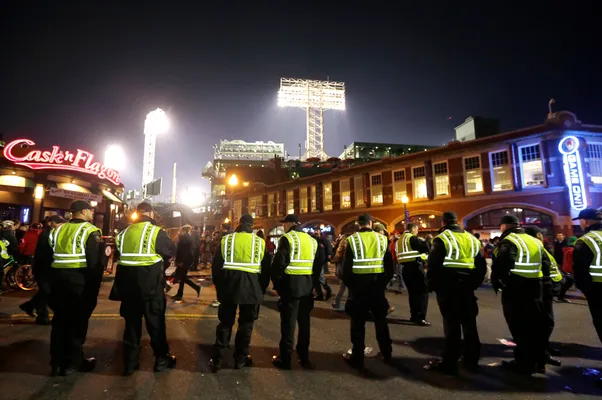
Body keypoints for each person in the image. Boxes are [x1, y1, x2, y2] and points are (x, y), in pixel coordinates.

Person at [109, 202, 177, 376]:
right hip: (151, 288)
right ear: (151, 213)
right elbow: (170, 250)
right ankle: (161, 359)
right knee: (156, 325)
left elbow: (119, 256)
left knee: (131, 325)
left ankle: (130, 363)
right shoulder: (156, 232)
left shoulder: (123, 234)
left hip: (128, 288)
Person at [41, 200, 106, 376]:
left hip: (57, 283)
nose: (92, 213)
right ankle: (73, 363)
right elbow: (94, 265)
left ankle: (56, 362)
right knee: (77, 324)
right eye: (91, 210)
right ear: (83, 211)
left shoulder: (57, 230)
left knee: (59, 322)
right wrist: (93, 290)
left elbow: (45, 258)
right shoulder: (91, 231)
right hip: (79, 284)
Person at [426, 211, 486, 374]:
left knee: (451, 325)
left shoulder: (442, 239)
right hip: (467, 288)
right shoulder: (472, 239)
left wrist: (432, 284)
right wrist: (473, 284)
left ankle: (450, 361)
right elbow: (481, 266)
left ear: (443, 222)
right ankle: (471, 360)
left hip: (448, 287)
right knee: (469, 324)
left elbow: (434, 265)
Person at [209, 214, 271, 373]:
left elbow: (216, 267)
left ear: (239, 224)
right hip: (252, 288)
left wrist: (219, 286)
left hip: (229, 286)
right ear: (251, 226)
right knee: (246, 324)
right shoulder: (259, 242)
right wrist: (261, 289)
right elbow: (265, 271)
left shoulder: (227, 240)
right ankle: (240, 359)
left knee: (225, 323)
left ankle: (218, 359)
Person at [491, 215, 550, 375]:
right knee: (534, 326)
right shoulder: (534, 241)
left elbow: (503, 266)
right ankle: (539, 361)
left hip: (516, 291)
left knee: (519, 327)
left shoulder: (509, 241)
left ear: (504, 226)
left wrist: (504, 284)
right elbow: (546, 264)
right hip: (535, 288)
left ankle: (524, 363)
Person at [271, 214, 323, 369]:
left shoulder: (287, 239)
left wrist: (278, 284)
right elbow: (318, 265)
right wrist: (313, 283)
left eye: (284, 223)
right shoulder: (312, 240)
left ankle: (285, 358)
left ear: (291, 223)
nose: (283, 226)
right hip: (307, 287)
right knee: (304, 323)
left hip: (291, 287)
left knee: (288, 324)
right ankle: (304, 356)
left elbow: (279, 263)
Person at [342, 213, 394, 368]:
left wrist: (352, 287)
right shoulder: (382, 239)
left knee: (357, 324)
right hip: (377, 287)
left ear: (359, 224)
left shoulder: (352, 240)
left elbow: (346, 270)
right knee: (381, 321)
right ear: (371, 223)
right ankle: (387, 353)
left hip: (358, 289)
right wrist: (382, 284)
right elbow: (389, 268)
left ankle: (357, 357)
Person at [524, 226, 563, 369]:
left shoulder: (541, 247)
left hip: (547, 290)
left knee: (546, 322)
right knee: (544, 323)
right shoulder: (535, 248)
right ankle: (541, 355)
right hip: (542, 291)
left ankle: (544, 350)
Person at [19, 218, 62, 324]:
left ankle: (29, 306)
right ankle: (42, 316)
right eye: (59, 223)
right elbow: (44, 254)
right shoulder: (47, 235)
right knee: (46, 292)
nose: (60, 226)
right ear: (51, 223)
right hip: (43, 268)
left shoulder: (49, 233)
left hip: (45, 267)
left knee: (45, 291)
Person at [572, 209, 602, 343]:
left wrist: (586, 290)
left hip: (597, 289)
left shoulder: (585, 240)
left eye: (580, 220)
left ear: (586, 221)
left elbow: (580, 270)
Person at [396, 223, 431, 326]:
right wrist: (428, 240)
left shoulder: (400, 240)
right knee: (423, 292)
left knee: (412, 294)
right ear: (413, 228)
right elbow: (426, 248)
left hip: (405, 269)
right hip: (416, 268)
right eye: (417, 229)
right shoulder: (412, 238)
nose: (417, 231)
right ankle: (420, 317)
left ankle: (414, 315)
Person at [172, 225, 201, 302]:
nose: (179, 232)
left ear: (183, 230)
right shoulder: (186, 237)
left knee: (182, 277)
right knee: (182, 277)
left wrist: (180, 261)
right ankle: (180, 294)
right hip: (186, 259)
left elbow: (183, 251)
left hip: (185, 260)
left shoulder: (185, 238)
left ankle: (181, 294)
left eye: (180, 230)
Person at [313, 232, 332, 301]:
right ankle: (319, 294)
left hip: (320, 262)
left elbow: (328, 249)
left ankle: (328, 290)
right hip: (315, 262)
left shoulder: (323, 240)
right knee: (316, 279)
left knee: (320, 277)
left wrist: (328, 258)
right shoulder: (315, 240)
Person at [558, 236, 577, 302]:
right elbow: (574, 261)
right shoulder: (572, 250)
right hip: (571, 269)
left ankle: (560, 296)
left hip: (566, 268)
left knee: (568, 283)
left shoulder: (566, 249)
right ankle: (560, 296)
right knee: (568, 283)